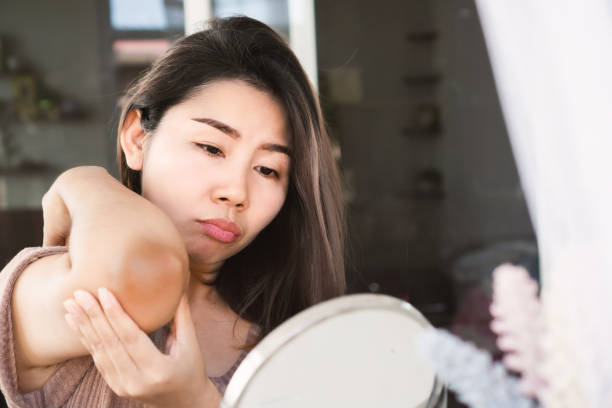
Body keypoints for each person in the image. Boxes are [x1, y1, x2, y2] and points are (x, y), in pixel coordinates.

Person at [0, 16, 346, 407]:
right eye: (211, 148)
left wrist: (195, 400)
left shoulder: (290, 344)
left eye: (268, 170)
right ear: (136, 138)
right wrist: (86, 179)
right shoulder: (46, 285)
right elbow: (135, 274)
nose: (236, 192)